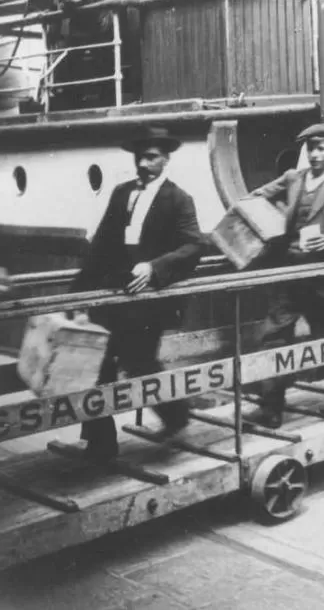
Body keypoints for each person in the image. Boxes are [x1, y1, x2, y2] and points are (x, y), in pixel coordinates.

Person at [72, 125, 205, 460]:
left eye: (151, 157)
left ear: (165, 160)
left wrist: (154, 267)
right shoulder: (121, 193)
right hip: (114, 297)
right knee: (97, 364)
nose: (143, 164)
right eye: (139, 157)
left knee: (139, 364)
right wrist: (74, 294)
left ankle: (176, 416)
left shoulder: (178, 199)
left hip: (149, 303)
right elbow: (100, 246)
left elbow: (193, 246)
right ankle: (101, 442)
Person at [245, 124, 324, 426]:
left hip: (321, 278)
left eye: (320, 147)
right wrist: (271, 219)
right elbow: (255, 198)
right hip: (289, 274)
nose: (314, 154)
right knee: (274, 338)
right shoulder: (293, 178)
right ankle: (272, 408)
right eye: (310, 148)